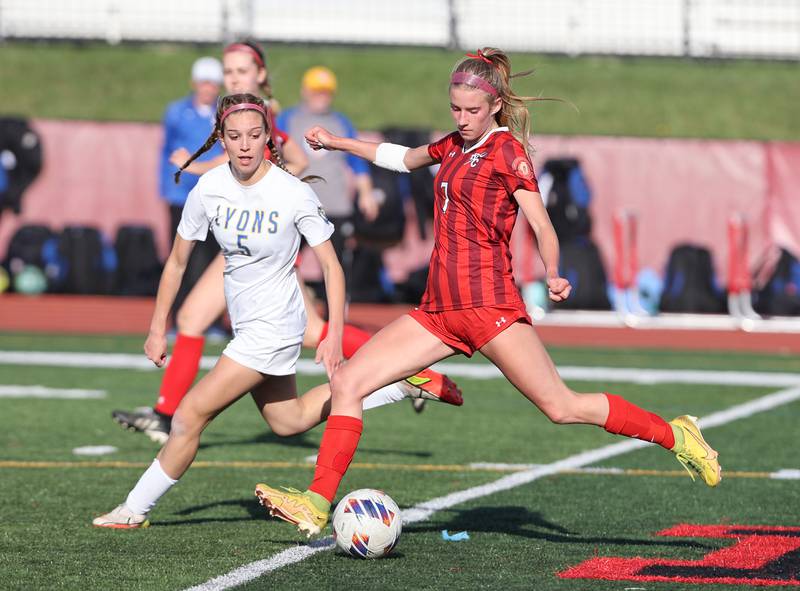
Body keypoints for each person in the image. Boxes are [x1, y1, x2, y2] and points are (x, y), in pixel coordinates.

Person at [253, 48, 723, 537]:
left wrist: (554, 270)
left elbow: (541, 223)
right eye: (455, 109)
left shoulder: (506, 151)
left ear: (495, 105)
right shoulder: (454, 145)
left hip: (490, 309)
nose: (462, 119)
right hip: (438, 311)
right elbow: (401, 158)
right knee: (347, 382)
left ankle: (676, 434)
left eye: (472, 111)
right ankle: (316, 501)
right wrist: (336, 141)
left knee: (562, 407)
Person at [92, 95, 458, 529]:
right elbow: (175, 262)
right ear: (219, 140)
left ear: (269, 136)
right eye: (234, 137)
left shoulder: (292, 192)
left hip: (275, 327)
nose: (245, 145)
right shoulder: (208, 189)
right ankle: (397, 385)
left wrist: (335, 335)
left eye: (254, 135)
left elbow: (331, 267)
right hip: (248, 326)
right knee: (289, 420)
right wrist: (157, 329)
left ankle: (134, 510)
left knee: (189, 415)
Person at [112, 42, 462, 444]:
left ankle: (408, 369)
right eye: (228, 72)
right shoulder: (246, 110)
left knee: (308, 332)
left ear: (260, 75)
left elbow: (293, 161)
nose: (233, 79)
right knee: (201, 320)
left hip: (263, 244)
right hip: (244, 241)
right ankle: (165, 412)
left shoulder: (256, 112)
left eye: (241, 71)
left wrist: (210, 172)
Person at [277, 66, 378, 265]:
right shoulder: (289, 119)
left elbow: (356, 162)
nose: (321, 97)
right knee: (284, 264)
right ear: (305, 91)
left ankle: (333, 297)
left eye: (326, 92)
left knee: (335, 265)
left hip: (334, 207)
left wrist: (366, 193)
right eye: (316, 92)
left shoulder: (340, 122)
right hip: (298, 205)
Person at [159, 57, 226, 319]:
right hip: (182, 194)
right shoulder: (177, 112)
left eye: (213, 83)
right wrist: (169, 186)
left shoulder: (223, 112)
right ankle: (178, 314)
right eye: (203, 83)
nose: (208, 88)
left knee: (212, 259)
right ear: (194, 84)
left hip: (214, 195)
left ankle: (211, 317)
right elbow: (167, 152)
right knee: (180, 256)